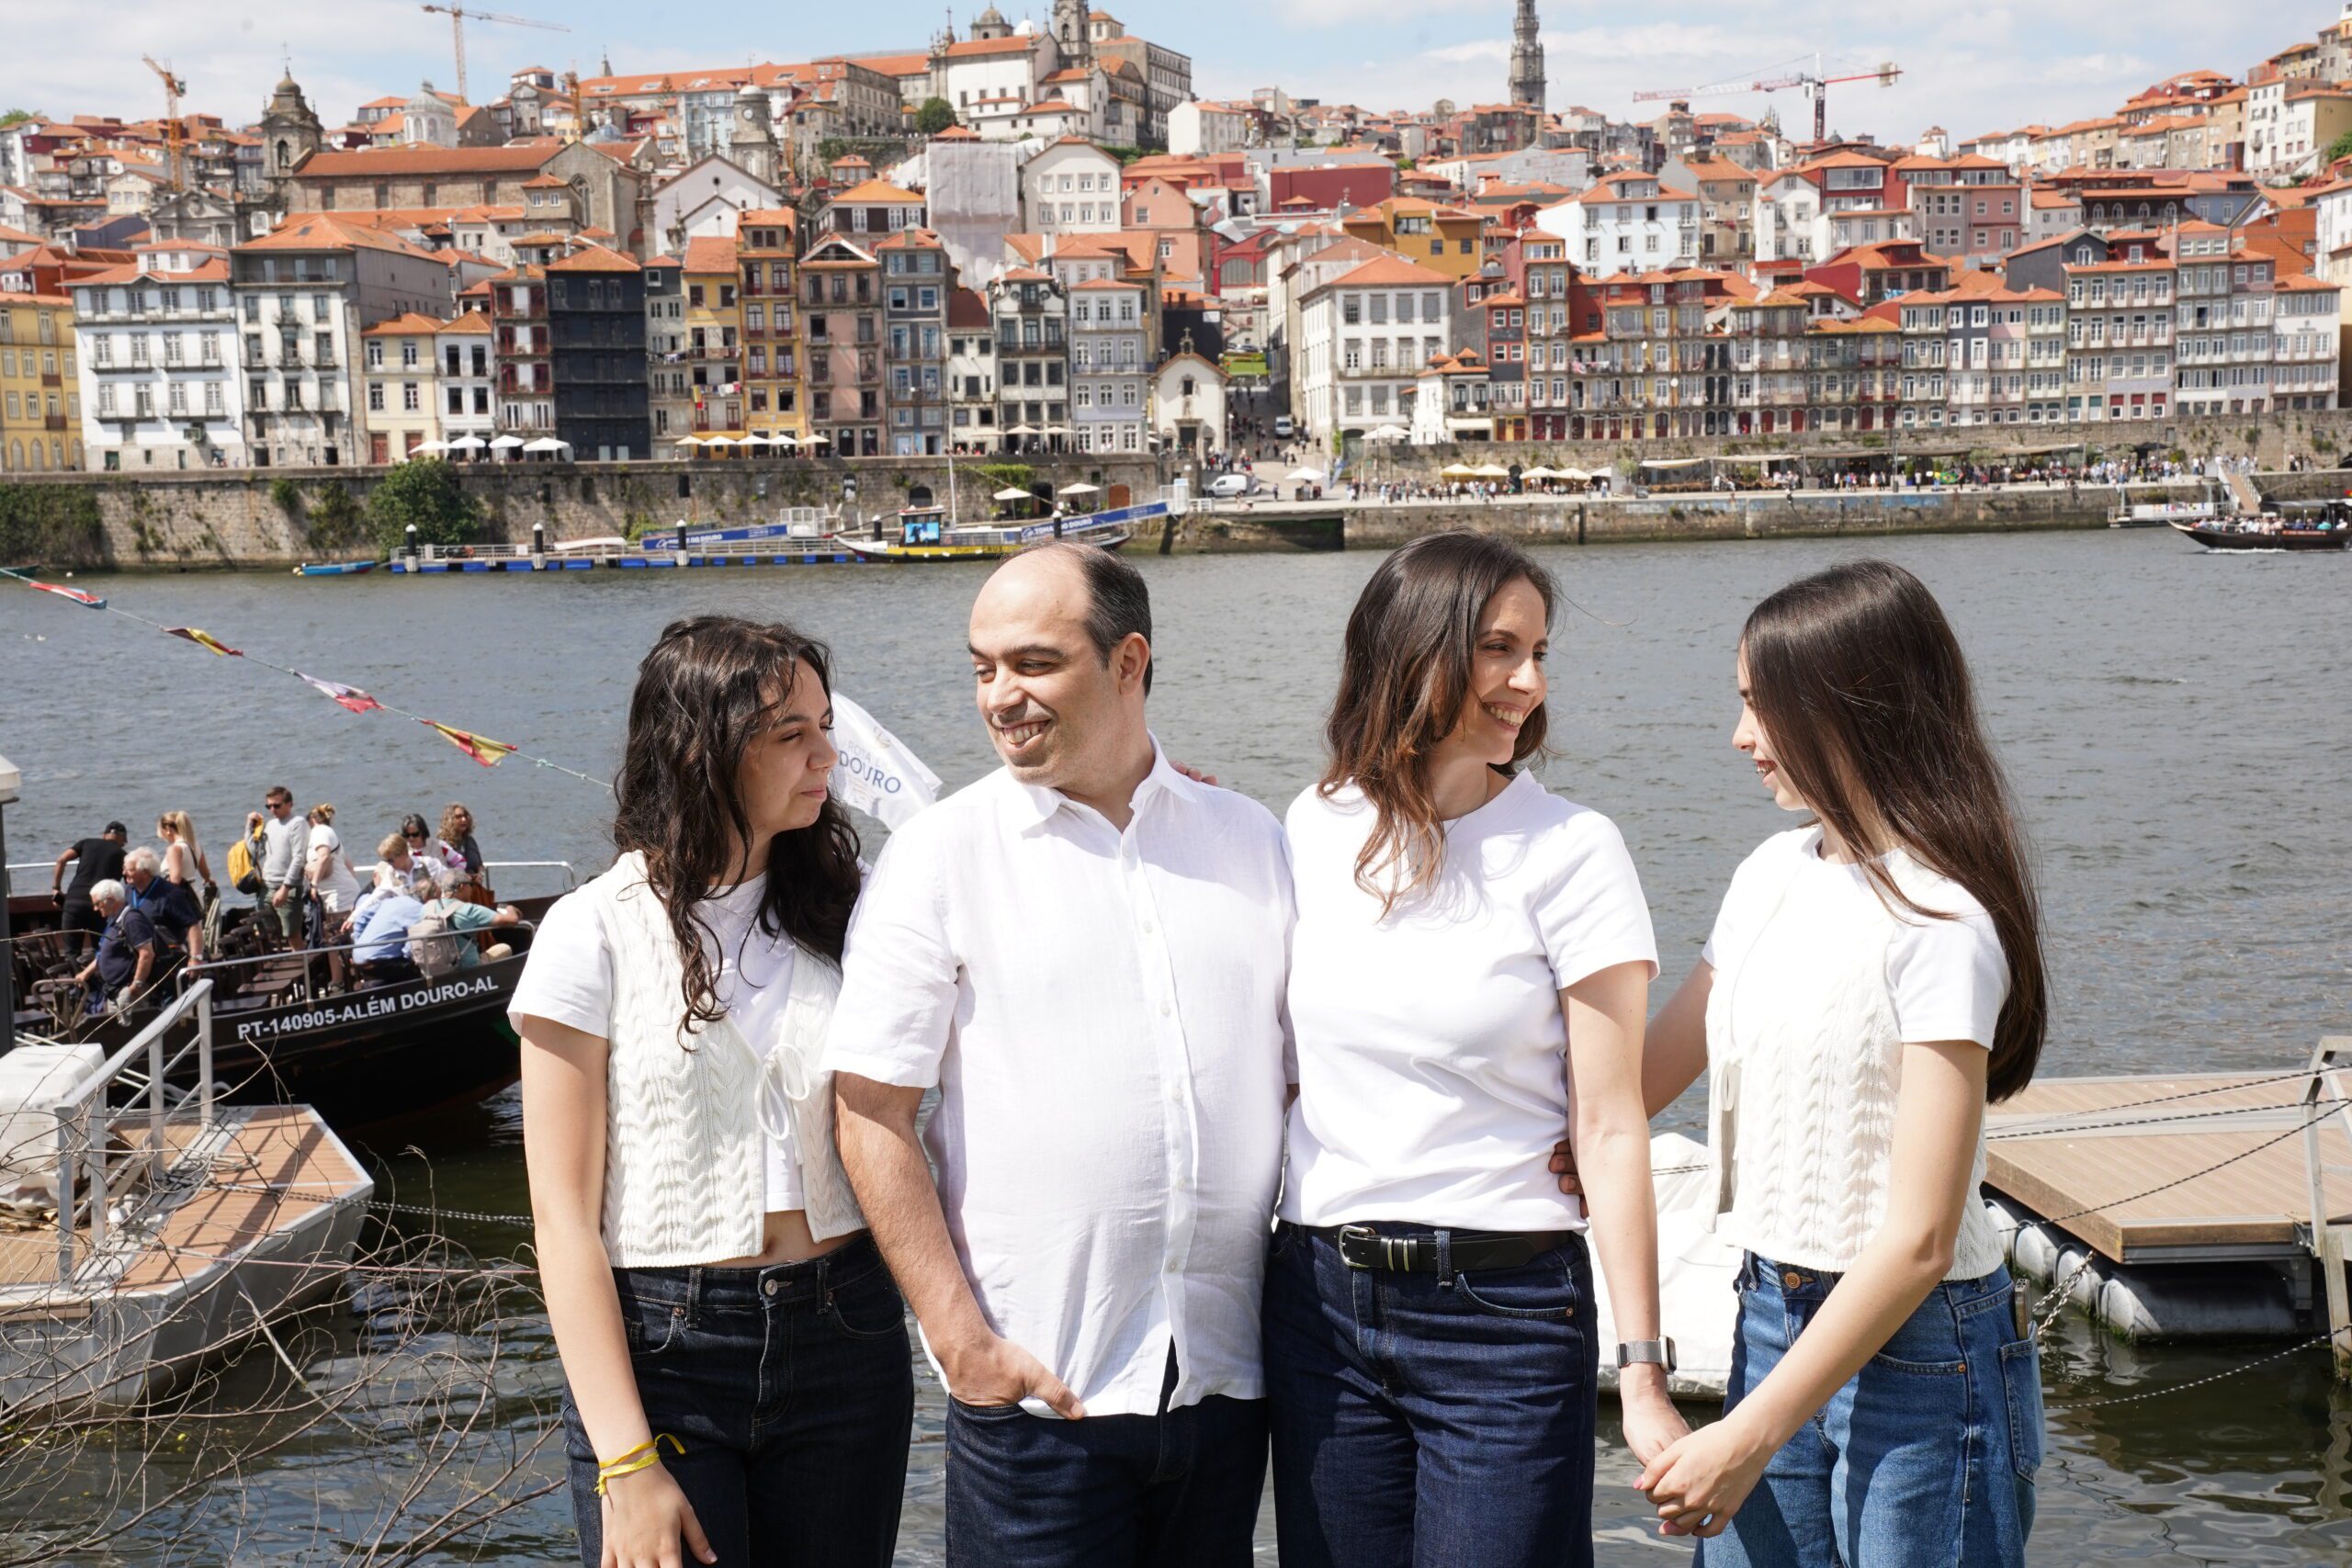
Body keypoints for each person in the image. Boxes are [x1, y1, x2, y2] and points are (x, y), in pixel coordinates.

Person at [829, 543, 1294, 1568]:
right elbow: (868, 1110)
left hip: (1225, 1386)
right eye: (983, 667)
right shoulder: (939, 857)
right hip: (1039, 1400)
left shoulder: (1251, 839)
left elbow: (1303, 1075)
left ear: (1129, 663)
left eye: (1033, 663)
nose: (1000, 695)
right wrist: (961, 1343)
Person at [1600, 559, 2047, 1563]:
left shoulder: (1941, 921)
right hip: (1767, 1313)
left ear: (1850, 707)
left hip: (1924, 1350)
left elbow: (1922, 1240)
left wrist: (1745, 1437)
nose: (1740, 736)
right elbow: (1637, 1082)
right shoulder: (1768, 874)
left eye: (1761, 705)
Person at [1263, 532, 1684, 1568]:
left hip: (1503, 1321)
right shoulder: (1311, 825)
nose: (1528, 683)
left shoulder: (1574, 851)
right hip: (1318, 1306)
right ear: (1412, 650)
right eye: (1499, 649)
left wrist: (1641, 1374)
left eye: (1537, 653)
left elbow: (1610, 1122)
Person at [516, 615, 912, 1568]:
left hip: (849, 1335)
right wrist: (625, 1460)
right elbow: (563, 1220)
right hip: (664, 1354)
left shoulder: (860, 908)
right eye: (792, 734)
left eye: (826, 727)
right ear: (705, 751)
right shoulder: (591, 932)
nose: (827, 756)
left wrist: (1139, 798)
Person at [72, 879, 164, 1016]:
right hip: (113, 991)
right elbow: (102, 953)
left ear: (110, 900)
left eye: (97, 904)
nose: (95, 909)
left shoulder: (131, 919)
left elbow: (146, 954)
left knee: (135, 1028)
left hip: (128, 991)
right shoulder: (113, 920)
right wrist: (86, 973)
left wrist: (136, 986)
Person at [50, 821, 129, 957]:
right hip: (100, 905)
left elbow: (61, 860)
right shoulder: (123, 856)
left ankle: (74, 970)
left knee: (71, 952)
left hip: (74, 901)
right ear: (123, 838)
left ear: (104, 835)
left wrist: (56, 889)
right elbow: (130, 883)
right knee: (102, 950)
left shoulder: (87, 843)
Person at [123, 845, 203, 965]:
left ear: (145, 873)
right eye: (124, 868)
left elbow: (193, 925)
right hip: (136, 955)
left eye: (130, 870)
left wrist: (196, 957)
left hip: (165, 957)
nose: (124, 873)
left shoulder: (170, 894)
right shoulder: (128, 891)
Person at [260, 786, 310, 951]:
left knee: (292, 935)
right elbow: (259, 852)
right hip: (267, 886)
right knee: (266, 933)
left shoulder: (297, 823)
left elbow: (298, 858)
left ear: (289, 804)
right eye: (269, 806)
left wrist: (285, 887)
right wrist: (249, 828)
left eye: (277, 805)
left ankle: (302, 964)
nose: (272, 810)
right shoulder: (269, 825)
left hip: (287, 887)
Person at [156, 811, 215, 913]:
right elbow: (205, 874)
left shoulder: (174, 849)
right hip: (195, 897)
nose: (165, 839)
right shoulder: (195, 845)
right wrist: (208, 879)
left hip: (181, 902)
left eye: (163, 834)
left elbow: (175, 880)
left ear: (168, 830)